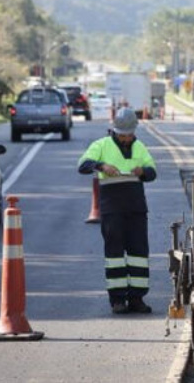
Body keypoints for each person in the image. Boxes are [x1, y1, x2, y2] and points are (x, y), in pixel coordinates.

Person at [77, 107, 158, 314]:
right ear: (114, 131)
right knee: (114, 254)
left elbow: (153, 171)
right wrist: (102, 166)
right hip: (112, 208)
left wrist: (143, 172)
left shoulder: (139, 147)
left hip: (136, 207)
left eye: (129, 134)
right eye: (123, 135)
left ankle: (137, 298)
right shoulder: (101, 145)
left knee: (138, 252)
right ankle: (118, 300)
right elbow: (83, 165)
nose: (126, 138)